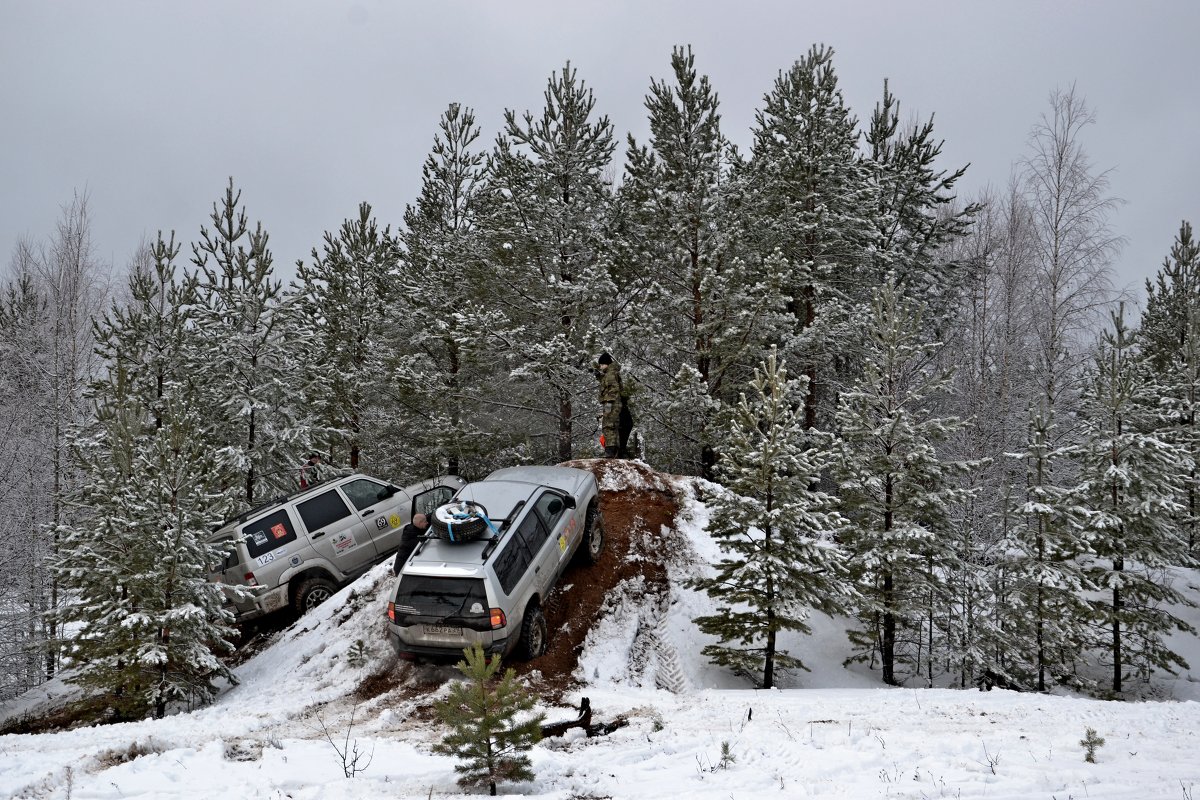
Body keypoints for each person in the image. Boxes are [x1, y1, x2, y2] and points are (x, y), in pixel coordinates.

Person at [596, 352, 623, 458]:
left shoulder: (610, 374)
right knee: (612, 426)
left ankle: (610, 451)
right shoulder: (611, 373)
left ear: (606, 363)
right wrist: (599, 377)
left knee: (608, 426)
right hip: (614, 403)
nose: (601, 367)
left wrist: (608, 403)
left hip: (611, 403)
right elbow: (607, 384)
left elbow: (613, 388)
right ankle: (614, 450)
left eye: (602, 365)